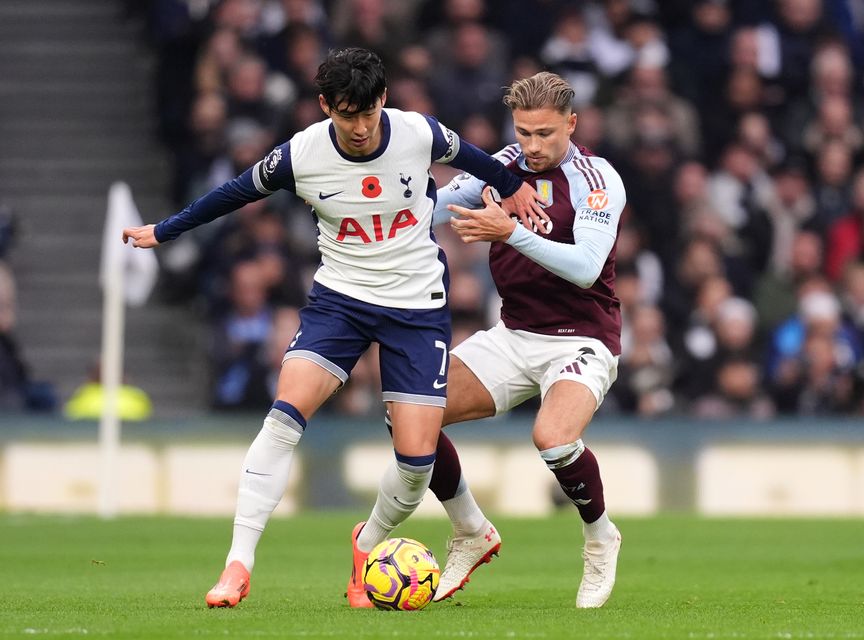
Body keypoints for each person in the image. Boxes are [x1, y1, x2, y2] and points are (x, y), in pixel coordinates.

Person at [121, 47, 546, 609]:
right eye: (348, 114)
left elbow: (480, 161)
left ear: (384, 101)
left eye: (370, 112)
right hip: (340, 302)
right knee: (284, 415)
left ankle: (367, 546)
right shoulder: (301, 153)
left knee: (417, 461)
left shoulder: (419, 134)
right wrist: (167, 230)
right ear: (326, 107)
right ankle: (237, 566)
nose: (362, 126)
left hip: (417, 307)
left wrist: (514, 187)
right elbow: (231, 194)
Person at [422, 71, 626, 608]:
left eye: (545, 134)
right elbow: (429, 210)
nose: (532, 146)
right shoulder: (501, 168)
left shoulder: (597, 178)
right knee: (411, 413)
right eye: (523, 132)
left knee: (553, 438)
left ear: (571, 125)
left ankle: (600, 537)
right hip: (514, 335)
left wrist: (510, 232)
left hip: (582, 337)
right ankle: (470, 529)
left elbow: (585, 267)